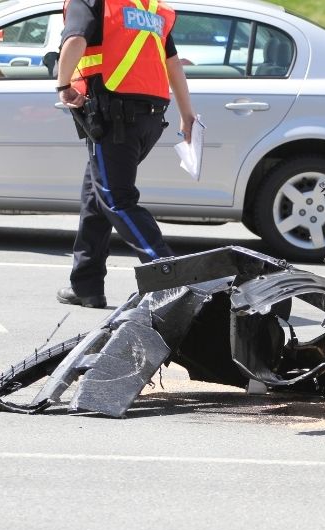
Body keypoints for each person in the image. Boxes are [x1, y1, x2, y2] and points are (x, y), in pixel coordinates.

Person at [55, 0, 195, 308]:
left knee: (117, 200)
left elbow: (75, 40)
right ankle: (86, 285)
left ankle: (171, 278)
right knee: (95, 197)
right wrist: (187, 114)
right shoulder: (151, 7)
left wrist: (63, 85)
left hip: (115, 117)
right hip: (149, 118)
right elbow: (172, 63)